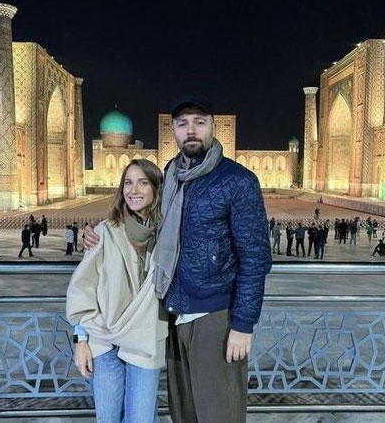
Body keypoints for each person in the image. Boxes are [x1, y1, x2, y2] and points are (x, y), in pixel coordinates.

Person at [83, 96, 271, 422]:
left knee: (218, 414)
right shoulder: (171, 174)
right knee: (184, 414)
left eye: (199, 122)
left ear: (214, 127)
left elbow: (255, 257)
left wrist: (243, 324)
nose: (191, 130)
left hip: (215, 318)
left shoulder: (237, 181)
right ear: (173, 130)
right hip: (173, 315)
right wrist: (98, 232)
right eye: (183, 124)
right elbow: (148, 222)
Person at [67, 159, 167, 423]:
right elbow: (83, 289)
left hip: (144, 343)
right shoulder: (104, 232)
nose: (134, 190)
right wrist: (80, 340)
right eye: (128, 182)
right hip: (105, 343)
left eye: (143, 183)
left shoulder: (167, 237)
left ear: (156, 188)